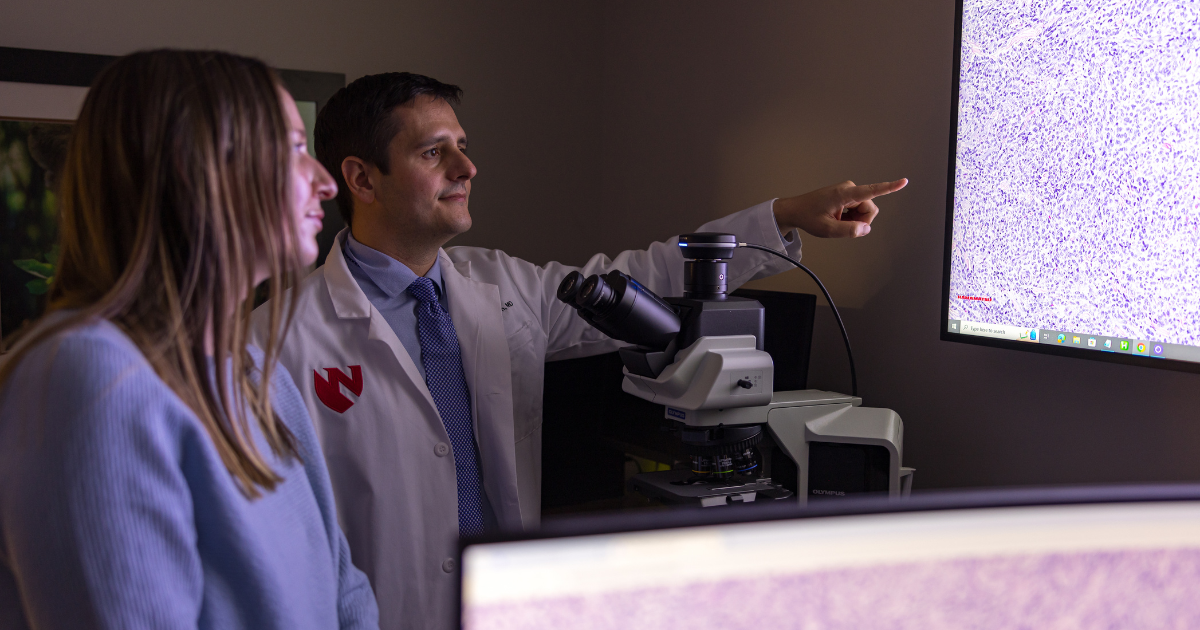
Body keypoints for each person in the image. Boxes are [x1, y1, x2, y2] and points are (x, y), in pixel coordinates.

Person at [253, 71, 906, 629]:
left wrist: (783, 216)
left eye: (463, 147)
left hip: (503, 603)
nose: (466, 168)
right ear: (362, 179)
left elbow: (641, 282)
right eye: (433, 153)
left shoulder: (502, 287)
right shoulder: (274, 340)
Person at [0, 50, 378, 629]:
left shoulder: (259, 373)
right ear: (192, 168)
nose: (326, 183)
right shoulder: (89, 375)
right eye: (293, 149)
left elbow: (345, 594)